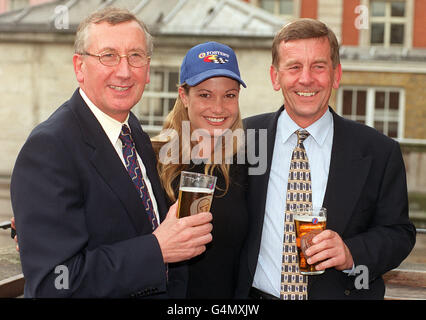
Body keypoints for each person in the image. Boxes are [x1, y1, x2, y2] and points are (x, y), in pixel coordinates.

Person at [10, 7, 213, 298]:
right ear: (79, 67)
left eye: (135, 56)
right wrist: (156, 249)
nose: (124, 70)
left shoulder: (133, 133)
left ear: (148, 69)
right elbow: (54, 282)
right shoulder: (49, 149)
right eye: (108, 55)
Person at [237, 18, 416, 300]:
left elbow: (399, 232)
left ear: (336, 75)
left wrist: (350, 253)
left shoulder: (378, 151)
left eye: (318, 66)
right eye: (294, 67)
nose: (306, 79)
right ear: (275, 77)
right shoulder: (244, 140)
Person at [152, 41, 249, 298]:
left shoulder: (250, 162)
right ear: (184, 96)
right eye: (205, 94)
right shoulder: (153, 159)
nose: (218, 108)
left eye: (229, 95)